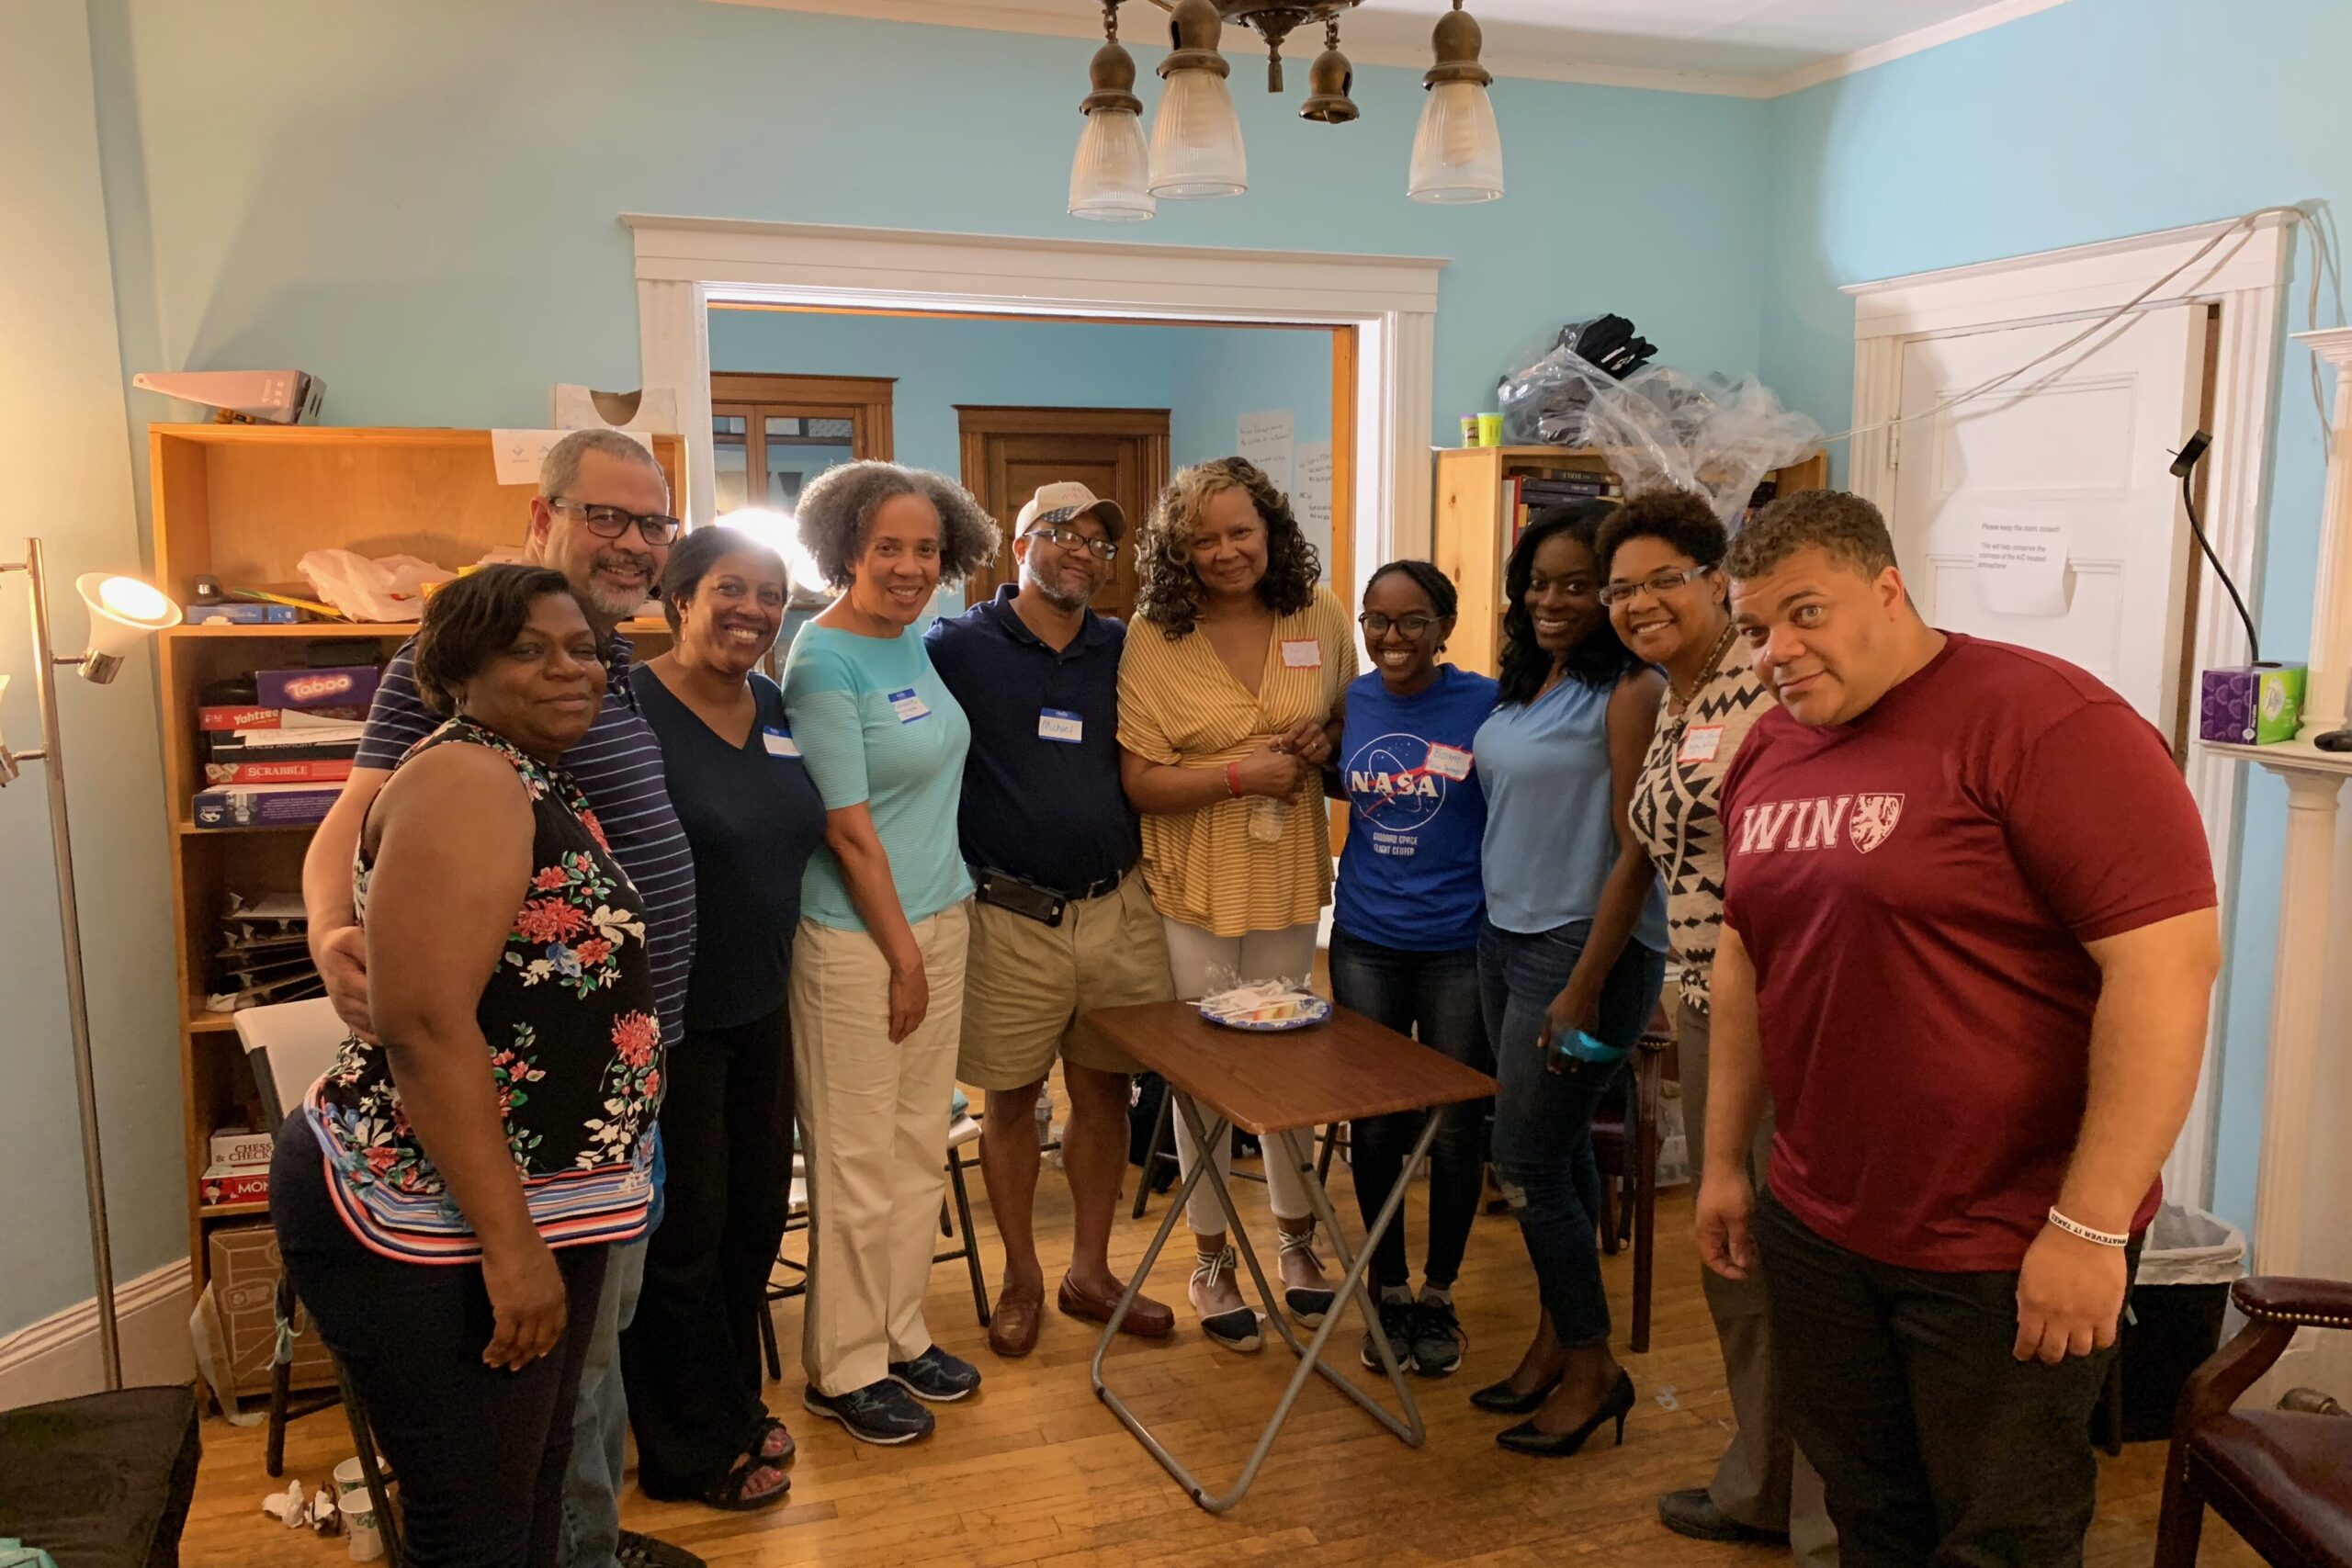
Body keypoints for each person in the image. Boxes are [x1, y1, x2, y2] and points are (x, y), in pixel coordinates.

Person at [1697, 491, 2220, 1567]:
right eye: (1754, 627)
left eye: (1805, 612)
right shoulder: (1770, 748)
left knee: (2003, 1541)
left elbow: (2166, 970)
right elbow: (1745, 952)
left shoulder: (2049, 724)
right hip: (1821, 1222)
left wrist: (2089, 1226)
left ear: (1888, 590)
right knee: (1870, 1518)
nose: (1775, 651)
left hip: (2003, 1240)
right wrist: (1721, 1165)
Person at [301, 429, 696, 1568]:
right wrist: (333, 935)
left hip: (602, 1109)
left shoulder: (607, 675)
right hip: (502, 1147)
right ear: (544, 515)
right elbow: (353, 827)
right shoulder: (462, 719)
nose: (631, 542)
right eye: (605, 515)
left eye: (651, 522)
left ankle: (580, 1543)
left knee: (584, 1374)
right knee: (523, 1420)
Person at [1600, 490, 1835, 1559]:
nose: (1639, 603)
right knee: (1734, 1255)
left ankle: (1824, 1520)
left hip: (1784, 1010)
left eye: (1664, 579)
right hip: (1702, 1001)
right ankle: (1760, 1485)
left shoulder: (1767, 686)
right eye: (1621, 589)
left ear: (1715, 579)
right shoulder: (1675, 695)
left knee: (1800, 1269)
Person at [924, 482, 1178, 1358]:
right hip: (1009, 915)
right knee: (1011, 1102)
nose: (1082, 550)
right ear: (1020, 544)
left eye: (1100, 542)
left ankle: (1091, 1274)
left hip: (1118, 910)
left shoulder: (1125, 645)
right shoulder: (957, 647)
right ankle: (1022, 1278)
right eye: (1063, 531)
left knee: (1105, 1093)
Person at [1117, 456, 1355, 1350]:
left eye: (1240, 532)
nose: (1225, 552)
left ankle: (1296, 1243)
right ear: (1177, 551)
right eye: (1203, 538)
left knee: (1290, 1060)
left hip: (1287, 872)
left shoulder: (1317, 613)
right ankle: (1209, 1258)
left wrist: (1323, 738)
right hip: (1194, 882)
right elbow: (1140, 781)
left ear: (1271, 531)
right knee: (1206, 1074)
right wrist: (1238, 775)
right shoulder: (1154, 635)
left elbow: (1353, 724)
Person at [783, 459, 999, 1445]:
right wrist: (904, 955)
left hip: (941, 920)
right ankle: (842, 1366)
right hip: (858, 944)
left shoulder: (908, 639)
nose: (910, 567)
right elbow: (847, 826)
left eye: (925, 549)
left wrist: (931, 939)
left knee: (920, 1145)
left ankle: (901, 1333)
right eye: (888, 548)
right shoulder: (822, 659)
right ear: (845, 550)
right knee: (857, 1158)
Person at [617, 526, 824, 1509]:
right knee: (684, 1236)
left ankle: (733, 1401)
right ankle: (683, 1450)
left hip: (764, 1004)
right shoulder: (629, 707)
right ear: (681, 599)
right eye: (731, 589)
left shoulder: (773, 704)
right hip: (673, 1020)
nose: (753, 610)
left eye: (770, 594)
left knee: (753, 1220)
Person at [1469, 501, 1668, 1457]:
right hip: (1506, 937)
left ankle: (1593, 1368)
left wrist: (1586, 981)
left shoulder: (1631, 689)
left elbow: (1639, 850)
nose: (1551, 601)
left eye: (1577, 586)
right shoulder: (1530, 678)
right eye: (1537, 584)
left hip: (1585, 954)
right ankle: (1556, 1339)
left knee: (1526, 1163)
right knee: (1563, 1150)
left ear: (1612, 595)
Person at [1324, 560, 1497, 1381]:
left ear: (1444, 628)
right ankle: (1388, 1286)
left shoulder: (1487, 703)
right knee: (1377, 1122)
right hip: (1366, 939)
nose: (1392, 637)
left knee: (1457, 1123)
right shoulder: (1353, 701)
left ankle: (1440, 1290)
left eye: (1412, 620)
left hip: (1460, 941)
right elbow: (1326, 767)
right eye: (1377, 620)